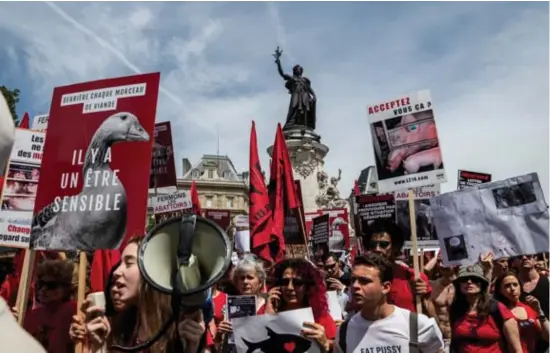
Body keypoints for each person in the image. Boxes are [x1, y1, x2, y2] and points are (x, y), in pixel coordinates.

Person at [69, 236, 208, 353]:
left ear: (152, 270)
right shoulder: (118, 329)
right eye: (119, 264)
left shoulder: (179, 329)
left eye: (128, 263)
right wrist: (98, 346)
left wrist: (191, 348)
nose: (117, 272)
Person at [334, 252, 443, 353]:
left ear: (385, 287)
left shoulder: (416, 324)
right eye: (353, 280)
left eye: (364, 281)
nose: (355, 286)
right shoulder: (344, 332)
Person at [362, 219, 436, 317]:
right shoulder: (360, 279)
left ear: (395, 246)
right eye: (373, 245)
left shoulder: (414, 277)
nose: (377, 249)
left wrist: (423, 298)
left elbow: (432, 319)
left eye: (384, 244)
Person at [263, 258, 336, 352]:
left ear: (308, 287)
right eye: (285, 282)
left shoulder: (321, 316)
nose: (290, 287)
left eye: (297, 283)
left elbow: (338, 347)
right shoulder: (268, 312)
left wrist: (326, 344)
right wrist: (266, 319)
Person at [449, 264, 523, 353]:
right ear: (459, 285)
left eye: (474, 279)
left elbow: (516, 349)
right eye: (464, 280)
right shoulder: (455, 309)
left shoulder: (497, 308)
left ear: (482, 284)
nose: (469, 282)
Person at [19, 259, 77, 353]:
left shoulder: (73, 311)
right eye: (40, 285)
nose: (43, 289)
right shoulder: (33, 314)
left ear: (65, 288)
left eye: (51, 285)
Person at [215, 255, 267, 352]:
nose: (245, 281)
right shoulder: (228, 307)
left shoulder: (268, 305)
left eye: (250, 277)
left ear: (260, 282)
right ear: (236, 282)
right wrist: (221, 333)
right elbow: (218, 346)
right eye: (242, 278)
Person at [494, 271, 549, 353]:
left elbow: (548, 336)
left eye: (515, 284)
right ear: (500, 290)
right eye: (507, 286)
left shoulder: (529, 308)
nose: (512, 289)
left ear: (520, 287)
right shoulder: (497, 311)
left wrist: (539, 311)